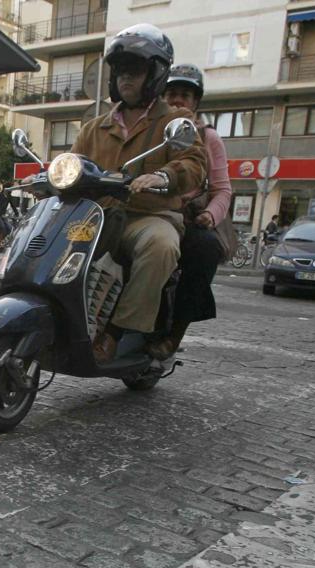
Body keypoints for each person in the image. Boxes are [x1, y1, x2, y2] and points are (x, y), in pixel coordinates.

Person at [70, 23, 207, 361]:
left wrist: (163, 176)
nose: (126, 78)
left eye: (136, 70)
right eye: (120, 71)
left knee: (160, 246)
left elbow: (193, 165)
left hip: (148, 215)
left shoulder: (175, 121)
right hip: (97, 216)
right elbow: (73, 164)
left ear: (156, 74)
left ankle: (116, 332)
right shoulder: (93, 127)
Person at [150, 63, 232, 358]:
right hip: (149, 210)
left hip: (186, 218)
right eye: (171, 93)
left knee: (204, 249)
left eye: (184, 95)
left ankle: (174, 333)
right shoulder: (150, 131)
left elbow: (223, 189)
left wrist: (210, 214)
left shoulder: (209, 138)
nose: (176, 100)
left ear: (196, 102)